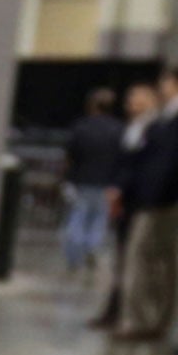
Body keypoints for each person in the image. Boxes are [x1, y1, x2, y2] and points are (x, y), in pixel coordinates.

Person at [110, 64, 178, 343]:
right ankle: (157, 318)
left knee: (143, 258)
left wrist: (153, 197)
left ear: (177, 82)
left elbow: (171, 162)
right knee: (163, 261)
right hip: (168, 199)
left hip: (162, 201)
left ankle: (140, 320)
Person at [91, 82, 158, 331]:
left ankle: (128, 313)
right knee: (121, 257)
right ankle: (115, 309)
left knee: (133, 260)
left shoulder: (152, 130)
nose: (132, 102)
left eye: (138, 98)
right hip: (124, 201)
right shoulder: (131, 128)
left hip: (136, 201)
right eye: (131, 97)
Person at [60, 88, 122, 273]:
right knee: (99, 220)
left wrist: (66, 178)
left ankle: (73, 256)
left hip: (82, 181)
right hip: (107, 183)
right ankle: (92, 249)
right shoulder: (118, 129)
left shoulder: (81, 127)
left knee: (77, 218)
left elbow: (70, 156)